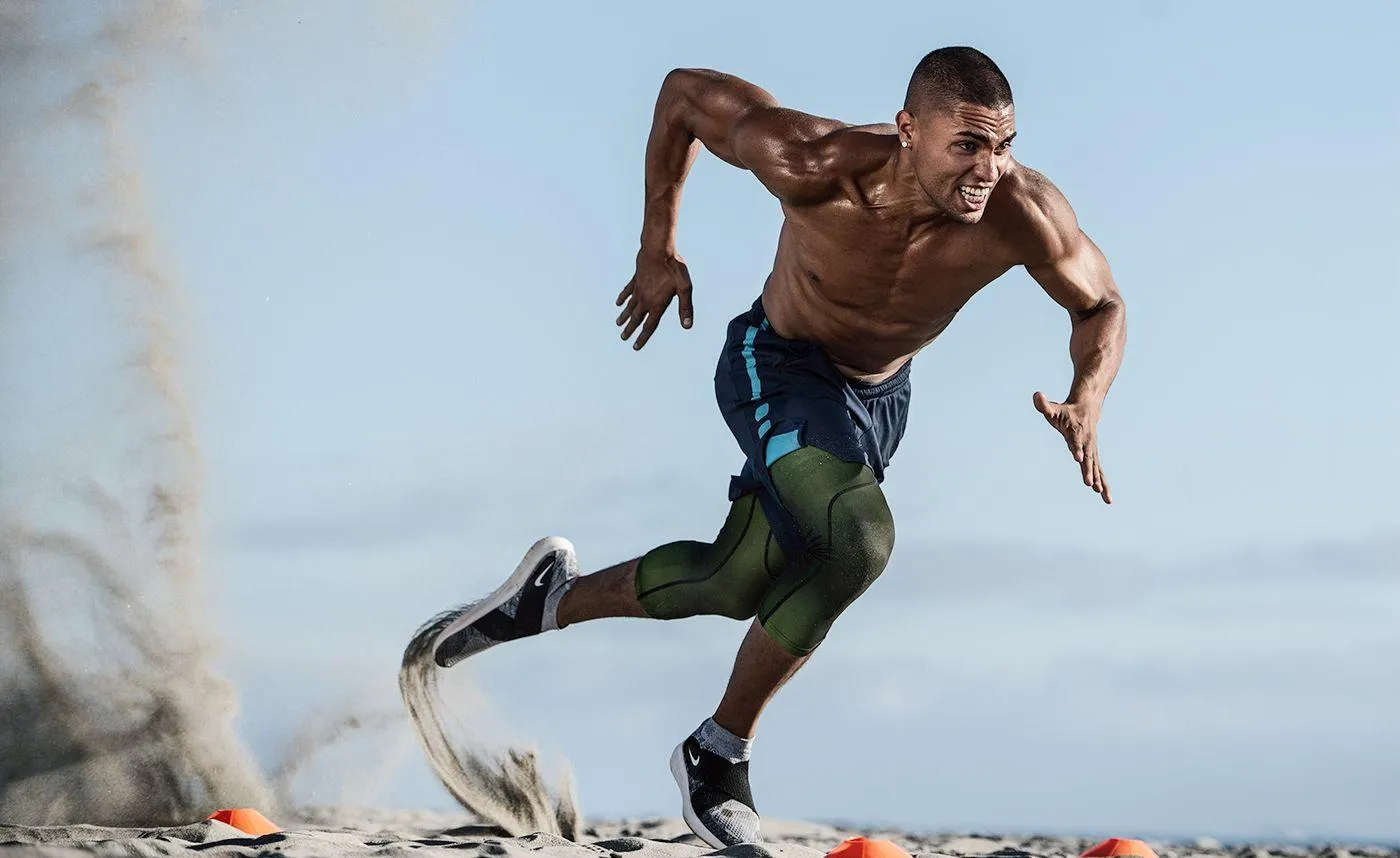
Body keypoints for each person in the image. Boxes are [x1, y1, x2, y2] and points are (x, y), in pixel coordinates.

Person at [416, 46, 1126, 848]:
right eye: (967, 144)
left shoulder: (1024, 212)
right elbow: (684, 95)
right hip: (777, 362)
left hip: (876, 402)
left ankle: (546, 600)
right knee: (860, 540)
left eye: (1004, 145)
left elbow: (1100, 304)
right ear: (906, 130)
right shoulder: (814, 162)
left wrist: (1087, 398)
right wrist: (658, 244)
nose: (988, 168)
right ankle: (717, 755)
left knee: (734, 579)